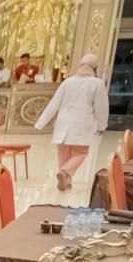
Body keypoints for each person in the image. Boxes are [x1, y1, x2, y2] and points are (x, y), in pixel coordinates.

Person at [34, 54, 109, 191]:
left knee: (63, 154)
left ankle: (66, 181)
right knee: (80, 153)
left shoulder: (68, 82)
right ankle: (65, 173)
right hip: (82, 124)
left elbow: (54, 104)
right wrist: (101, 125)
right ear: (95, 68)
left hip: (63, 123)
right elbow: (101, 107)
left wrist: (40, 123)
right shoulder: (97, 83)